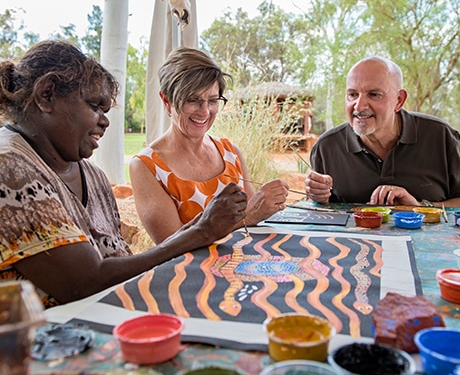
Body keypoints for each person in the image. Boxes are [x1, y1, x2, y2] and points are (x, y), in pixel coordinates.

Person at [0, 40, 248, 308]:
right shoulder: (9, 166)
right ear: (46, 95)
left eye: (106, 111)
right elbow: (84, 283)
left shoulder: (92, 176)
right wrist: (202, 230)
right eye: (95, 106)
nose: (105, 121)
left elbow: (117, 261)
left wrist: (204, 228)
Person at [130, 47, 289, 245]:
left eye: (213, 100)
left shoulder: (231, 152)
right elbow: (170, 246)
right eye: (193, 100)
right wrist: (249, 216)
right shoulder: (147, 166)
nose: (204, 112)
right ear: (166, 101)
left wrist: (266, 204)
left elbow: (252, 225)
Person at [305, 55, 460, 207]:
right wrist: (319, 198)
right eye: (353, 95)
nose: (359, 106)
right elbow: (317, 212)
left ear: (399, 100)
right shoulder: (327, 147)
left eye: (374, 95)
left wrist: (419, 206)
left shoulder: (441, 137)